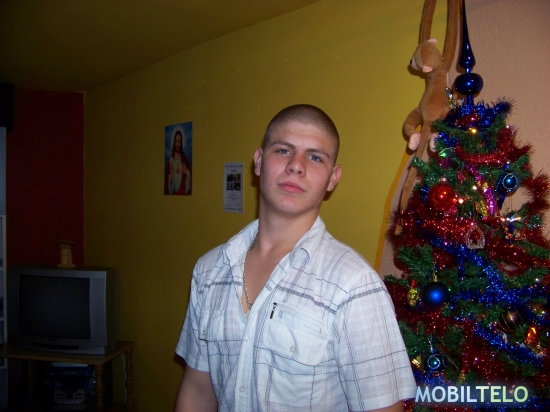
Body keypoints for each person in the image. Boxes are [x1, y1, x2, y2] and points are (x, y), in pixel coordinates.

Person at [174, 104, 416, 412]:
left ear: (332, 178)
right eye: (283, 150)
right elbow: (197, 392)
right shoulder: (209, 271)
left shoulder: (355, 286)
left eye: (315, 157)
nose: (296, 166)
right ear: (259, 162)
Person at [167, 130, 191, 195]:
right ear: (174, 142)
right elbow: (168, 188)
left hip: (182, 193)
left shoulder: (184, 159)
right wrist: (170, 176)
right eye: (177, 141)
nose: (178, 144)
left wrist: (187, 172)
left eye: (179, 141)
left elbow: (188, 188)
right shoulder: (171, 160)